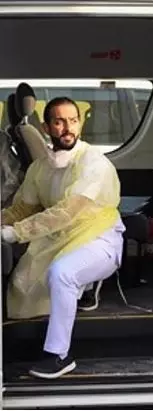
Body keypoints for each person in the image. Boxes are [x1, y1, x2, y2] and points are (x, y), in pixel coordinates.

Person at [0, 97, 124, 379]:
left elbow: (68, 211)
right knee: (22, 285)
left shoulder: (93, 163)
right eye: (59, 122)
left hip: (100, 237)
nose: (68, 128)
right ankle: (86, 287)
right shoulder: (41, 167)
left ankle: (58, 355)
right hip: (61, 237)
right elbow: (23, 208)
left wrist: (16, 233)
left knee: (62, 273)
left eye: (73, 121)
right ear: (46, 128)